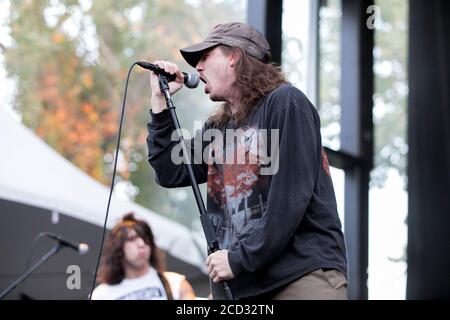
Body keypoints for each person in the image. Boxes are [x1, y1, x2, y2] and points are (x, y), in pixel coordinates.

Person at [146, 22, 348, 300]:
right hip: (241, 286)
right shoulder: (218, 128)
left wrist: (239, 258)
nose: (198, 67)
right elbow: (169, 171)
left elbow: (289, 199)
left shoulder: (286, 103)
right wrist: (160, 102)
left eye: (205, 56)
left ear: (234, 57)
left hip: (298, 276)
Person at [91, 213, 196, 300]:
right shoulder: (101, 295)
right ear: (118, 248)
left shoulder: (175, 283)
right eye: (132, 238)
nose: (141, 244)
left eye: (145, 238)